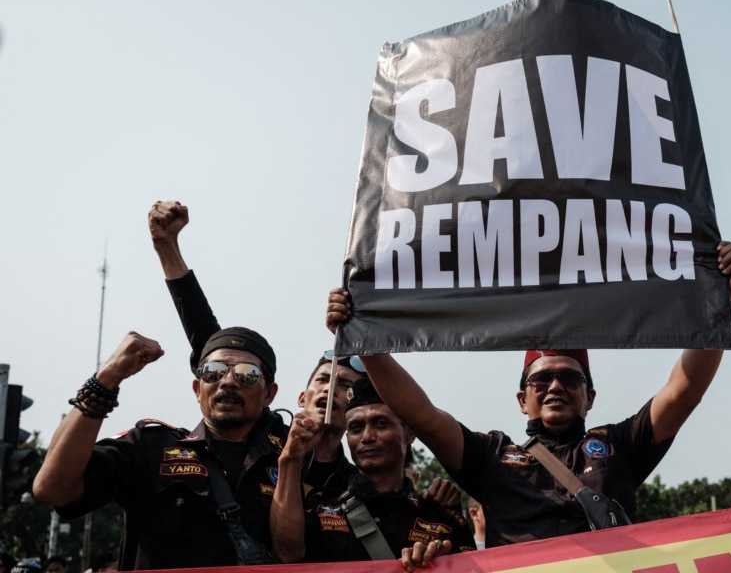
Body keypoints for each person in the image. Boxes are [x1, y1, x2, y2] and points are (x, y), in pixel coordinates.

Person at [326, 241, 731, 547]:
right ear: (521, 399)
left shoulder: (620, 445)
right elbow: (420, 414)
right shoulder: (490, 456)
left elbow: (683, 391)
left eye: (570, 378)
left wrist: (719, 307)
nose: (555, 387)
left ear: (591, 396)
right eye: (540, 381)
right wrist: (365, 345)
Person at [148, 200, 362, 495]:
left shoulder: (358, 485)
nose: (330, 391)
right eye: (324, 380)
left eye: (345, 387)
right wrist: (167, 248)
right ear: (299, 396)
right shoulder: (266, 438)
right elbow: (210, 343)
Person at [33, 328, 285, 569]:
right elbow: (53, 489)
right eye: (213, 372)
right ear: (197, 389)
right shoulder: (150, 448)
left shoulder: (289, 462)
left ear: (269, 395)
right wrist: (107, 379)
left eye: (247, 374)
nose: (228, 381)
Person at [271, 374, 474, 569]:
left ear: (409, 433)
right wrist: (290, 459)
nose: (367, 437)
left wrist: (440, 563)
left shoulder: (442, 520)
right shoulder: (321, 512)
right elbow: (288, 554)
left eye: (380, 423)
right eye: (357, 427)